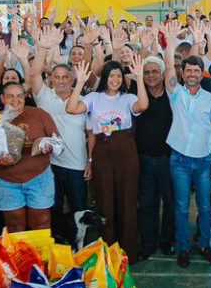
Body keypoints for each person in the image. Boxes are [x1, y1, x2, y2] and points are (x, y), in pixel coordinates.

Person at [164, 53, 211, 267]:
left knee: (205, 207)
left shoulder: (210, 99)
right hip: (179, 160)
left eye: (196, 71)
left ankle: (205, 245)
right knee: (181, 207)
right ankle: (184, 249)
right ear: (183, 72)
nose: (192, 74)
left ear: (201, 74)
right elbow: (169, 69)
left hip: (204, 161)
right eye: (188, 70)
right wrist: (170, 44)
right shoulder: (176, 93)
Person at [32, 42, 90, 249]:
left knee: (80, 209)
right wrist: (43, 46)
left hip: (77, 166)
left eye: (65, 77)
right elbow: (34, 74)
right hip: (51, 166)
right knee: (53, 209)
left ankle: (82, 248)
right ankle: (58, 247)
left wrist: (90, 161)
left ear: (73, 79)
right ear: (51, 79)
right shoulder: (44, 96)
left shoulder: (83, 101)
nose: (61, 81)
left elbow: (90, 133)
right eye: (56, 77)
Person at [82, 58, 139, 257]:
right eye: (111, 75)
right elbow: (72, 109)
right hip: (102, 150)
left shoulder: (128, 98)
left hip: (125, 149)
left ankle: (128, 250)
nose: (115, 79)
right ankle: (108, 250)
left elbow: (143, 106)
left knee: (128, 199)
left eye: (118, 75)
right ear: (105, 77)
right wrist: (80, 82)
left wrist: (139, 78)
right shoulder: (94, 98)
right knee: (105, 200)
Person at [0, 80, 60, 234]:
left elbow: (57, 140)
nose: (16, 100)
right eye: (10, 96)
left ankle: (40, 257)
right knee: (14, 226)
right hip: (6, 180)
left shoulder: (39, 114)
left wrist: (49, 146)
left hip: (39, 177)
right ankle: (19, 258)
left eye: (20, 96)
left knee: (41, 223)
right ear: (2, 98)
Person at [132, 55, 176, 258]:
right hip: (145, 159)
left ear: (163, 74)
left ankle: (167, 240)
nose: (150, 76)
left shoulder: (172, 96)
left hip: (169, 158)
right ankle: (148, 242)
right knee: (147, 202)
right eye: (147, 72)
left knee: (170, 202)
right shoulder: (136, 96)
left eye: (154, 71)